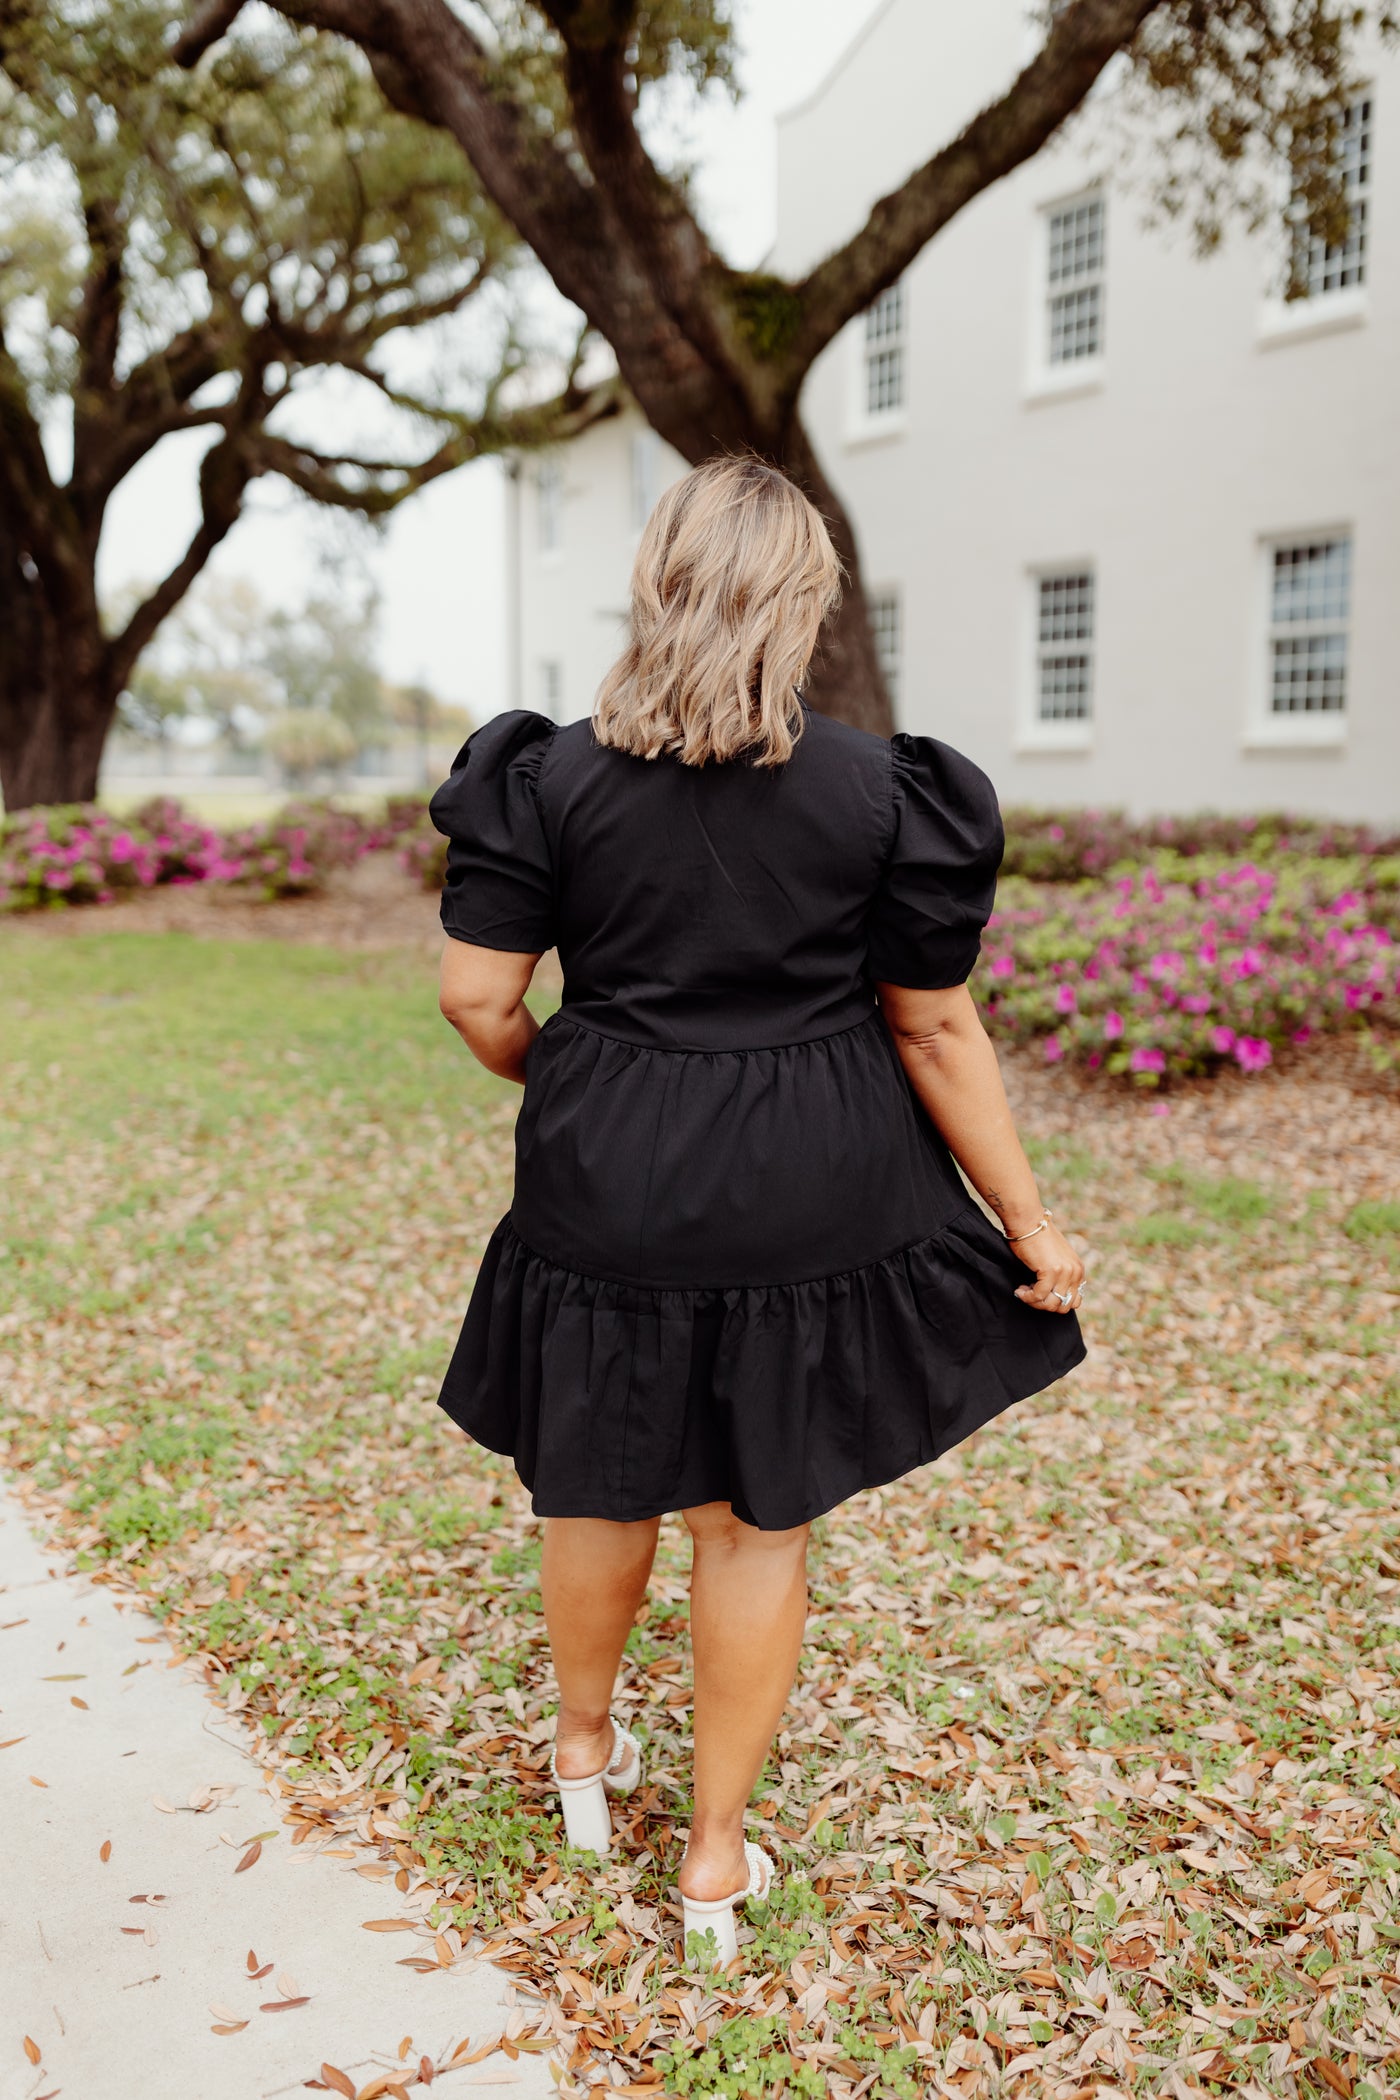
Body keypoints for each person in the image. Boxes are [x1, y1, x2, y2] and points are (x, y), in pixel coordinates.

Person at [429, 454, 1086, 1965]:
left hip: (606, 1175)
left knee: (592, 1470)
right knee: (753, 1517)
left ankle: (585, 1759)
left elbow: (476, 997)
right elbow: (930, 1028)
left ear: (654, 583)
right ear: (804, 603)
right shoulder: (885, 790)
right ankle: (715, 1861)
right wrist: (1030, 1221)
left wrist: (571, 1079)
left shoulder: (546, 776)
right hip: (811, 1184)